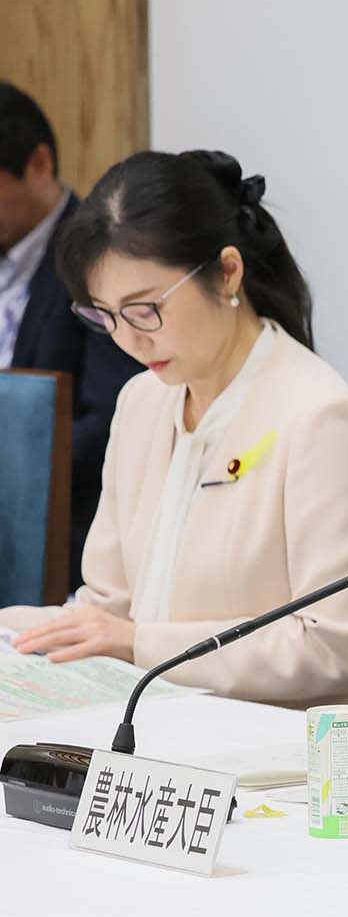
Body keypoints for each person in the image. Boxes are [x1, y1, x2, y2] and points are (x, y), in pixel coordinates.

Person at [0, 151, 348, 714]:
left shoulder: (317, 415)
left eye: (144, 310)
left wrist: (139, 644)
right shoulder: (141, 402)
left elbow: (337, 643)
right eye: (105, 316)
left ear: (227, 272)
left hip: (291, 753)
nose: (128, 340)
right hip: (164, 730)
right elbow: (106, 609)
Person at [0, 82, 144, 561]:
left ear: (38, 165)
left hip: (60, 532)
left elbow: (110, 416)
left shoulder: (95, 259)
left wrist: (15, 466)